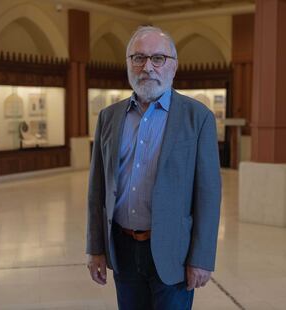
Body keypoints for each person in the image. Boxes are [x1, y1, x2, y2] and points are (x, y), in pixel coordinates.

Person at [86, 26, 221, 310]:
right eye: (138, 58)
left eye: (158, 58)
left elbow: (208, 195)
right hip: (122, 249)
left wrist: (201, 258)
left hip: (173, 252)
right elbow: (96, 191)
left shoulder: (198, 118)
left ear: (173, 67)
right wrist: (96, 248)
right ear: (128, 65)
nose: (147, 67)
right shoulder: (109, 117)